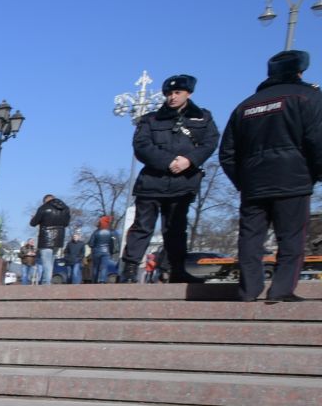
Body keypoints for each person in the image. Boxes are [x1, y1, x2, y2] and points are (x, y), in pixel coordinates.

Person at [220, 49, 322, 304]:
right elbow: (317, 140)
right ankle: (281, 290)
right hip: (294, 180)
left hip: (253, 184)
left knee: (250, 239)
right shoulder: (309, 97)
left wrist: (243, 181)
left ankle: (248, 291)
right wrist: (315, 174)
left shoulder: (245, 105)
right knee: (291, 238)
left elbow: (227, 153)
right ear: (299, 71)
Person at [123, 74, 218, 283]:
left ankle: (176, 269)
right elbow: (141, 146)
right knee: (142, 226)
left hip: (182, 183)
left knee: (175, 228)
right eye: (169, 93)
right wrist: (169, 161)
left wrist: (189, 161)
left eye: (177, 93)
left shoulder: (203, 118)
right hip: (151, 182)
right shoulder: (151, 119)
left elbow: (210, 143)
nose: (172, 97)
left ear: (188, 93)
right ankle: (129, 270)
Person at [27, 195, 70, 286]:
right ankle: (46, 281)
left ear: (45, 201)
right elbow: (66, 223)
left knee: (47, 263)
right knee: (51, 261)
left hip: (45, 238)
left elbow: (33, 223)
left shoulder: (43, 208)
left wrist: (33, 218)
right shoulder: (65, 208)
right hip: (59, 239)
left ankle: (46, 283)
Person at [89, 215, 119, 283]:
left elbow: (91, 243)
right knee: (104, 267)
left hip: (96, 251)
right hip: (106, 252)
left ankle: (94, 281)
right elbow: (115, 243)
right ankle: (102, 280)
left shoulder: (96, 232)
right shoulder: (112, 232)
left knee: (95, 267)